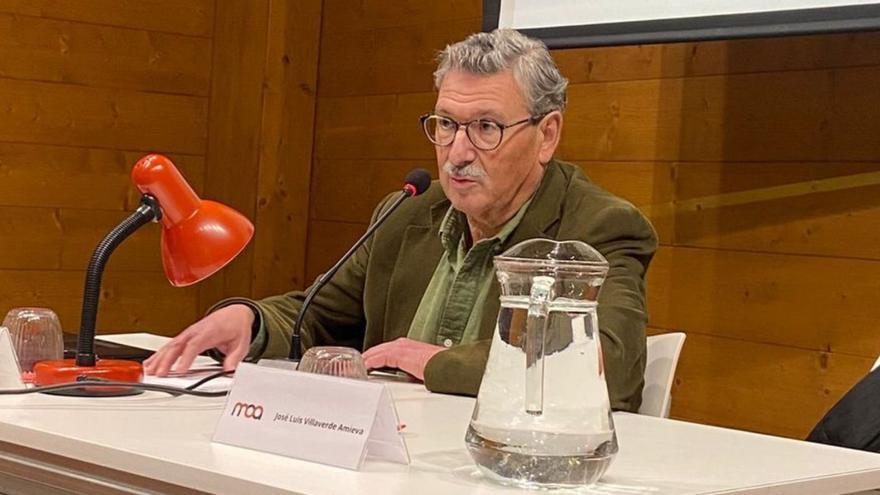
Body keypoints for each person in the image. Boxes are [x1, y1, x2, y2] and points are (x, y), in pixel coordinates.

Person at [144, 29, 657, 412]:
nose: (457, 152)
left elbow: (606, 366)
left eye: (485, 127)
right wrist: (251, 321)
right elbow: (317, 317)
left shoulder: (597, 227)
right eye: (446, 125)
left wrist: (433, 362)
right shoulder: (408, 212)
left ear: (547, 135)